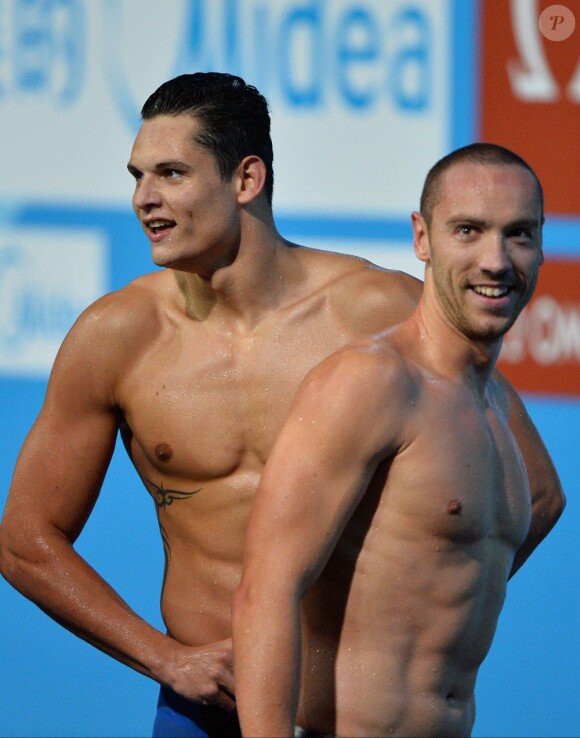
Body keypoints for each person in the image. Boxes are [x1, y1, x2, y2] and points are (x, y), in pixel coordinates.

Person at [0, 70, 562, 738]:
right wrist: (167, 660)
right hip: (202, 709)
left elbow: (532, 492)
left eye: (172, 174)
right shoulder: (117, 337)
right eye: (137, 177)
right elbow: (26, 542)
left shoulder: (379, 312)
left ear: (247, 180)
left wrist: (405, 615)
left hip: (342, 713)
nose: (145, 199)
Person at [232, 143, 565, 738]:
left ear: (540, 244)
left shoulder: (493, 407)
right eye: (468, 230)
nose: (496, 260)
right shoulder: (371, 382)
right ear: (422, 238)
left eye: (518, 234)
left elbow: (539, 508)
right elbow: (265, 589)